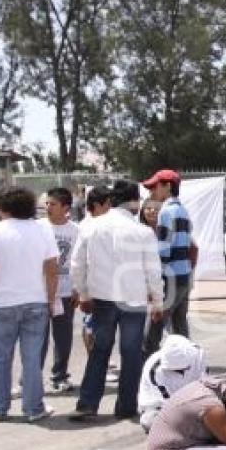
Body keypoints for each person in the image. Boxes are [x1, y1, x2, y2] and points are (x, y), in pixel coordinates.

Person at [71, 179, 164, 420]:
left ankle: (88, 403)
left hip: (102, 298)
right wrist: (158, 301)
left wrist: (83, 293)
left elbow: (77, 264)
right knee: (131, 352)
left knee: (100, 350)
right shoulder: (143, 232)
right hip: (133, 300)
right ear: (136, 202)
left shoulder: (90, 227)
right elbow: (153, 271)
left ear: (111, 200)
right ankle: (125, 406)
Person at [0, 187, 59, 422]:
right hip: (35, 301)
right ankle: (33, 408)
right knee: (32, 359)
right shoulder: (42, 231)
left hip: (3, 302)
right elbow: (52, 269)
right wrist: (51, 299)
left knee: (1, 358)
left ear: (4, 208)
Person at [143, 170, 193, 358]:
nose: (152, 192)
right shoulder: (183, 210)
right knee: (180, 327)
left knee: (153, 330)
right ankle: (189, 363)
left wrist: (153, 281)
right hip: (184, 276)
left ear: (168, 186)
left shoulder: (166, 211)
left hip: (169, 278)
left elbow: (163, 250)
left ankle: (145, 368)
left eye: (155, 186)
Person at [40, 187, 80, 393]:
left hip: (65, 293)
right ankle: (31, 379)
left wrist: (77, 288)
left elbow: (81, 261)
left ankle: (60, 375)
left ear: (66, 207)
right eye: (47, 203)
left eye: (53, 204)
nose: (48, 207)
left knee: (63, 337)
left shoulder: (75, 231)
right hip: (39, 293)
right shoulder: (38, 227)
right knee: (38, 338)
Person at [138, 334, 207, 433]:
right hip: (161, 407)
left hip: (195, 401)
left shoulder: (199, 354)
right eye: (175, 370)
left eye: (183, 369)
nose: (180, 372)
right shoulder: (154, 371)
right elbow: (170, 405)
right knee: (149, 421)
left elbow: (205, 384)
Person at [77, 185, 112, 359]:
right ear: (98, 205)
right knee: (90, 326)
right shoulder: (86, 226)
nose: (111, 208)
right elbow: (78, 262)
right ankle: (94, 360)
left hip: (107, 287)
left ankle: (100, 361)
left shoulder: (106, 224)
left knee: (102, 328)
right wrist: (82, 292)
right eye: (108, 204)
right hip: (92, 288)